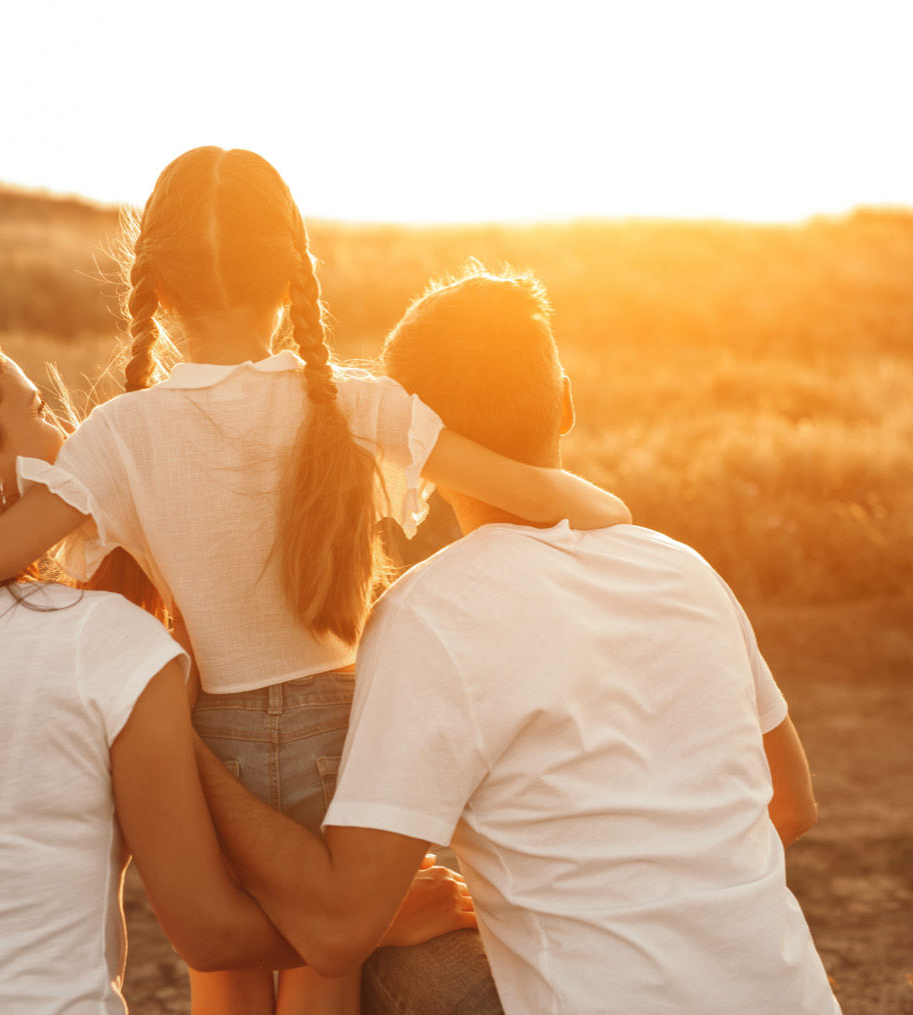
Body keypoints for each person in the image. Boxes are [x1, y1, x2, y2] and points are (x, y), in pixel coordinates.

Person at [0, 148, 630, 1014]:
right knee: (325, 957)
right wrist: (609, 509)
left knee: (223, 968)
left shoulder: (119, 433)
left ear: (155, 280)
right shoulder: (349, 400)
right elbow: (537, 491)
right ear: (293, 272)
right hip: (346, 733)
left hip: (210, 729)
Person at [0, 325, 477, 1014]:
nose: (68, 430)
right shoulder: (102, 643)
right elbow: (209, 930)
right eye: (39, 410)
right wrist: (372, 919)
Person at [191, 266, 842, 1015]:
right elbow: (791, 805)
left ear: (412, 452)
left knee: (387, 952)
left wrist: (189, 754)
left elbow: (338, 926)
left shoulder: (430, 613)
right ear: (564, 403)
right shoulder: (683, 566)